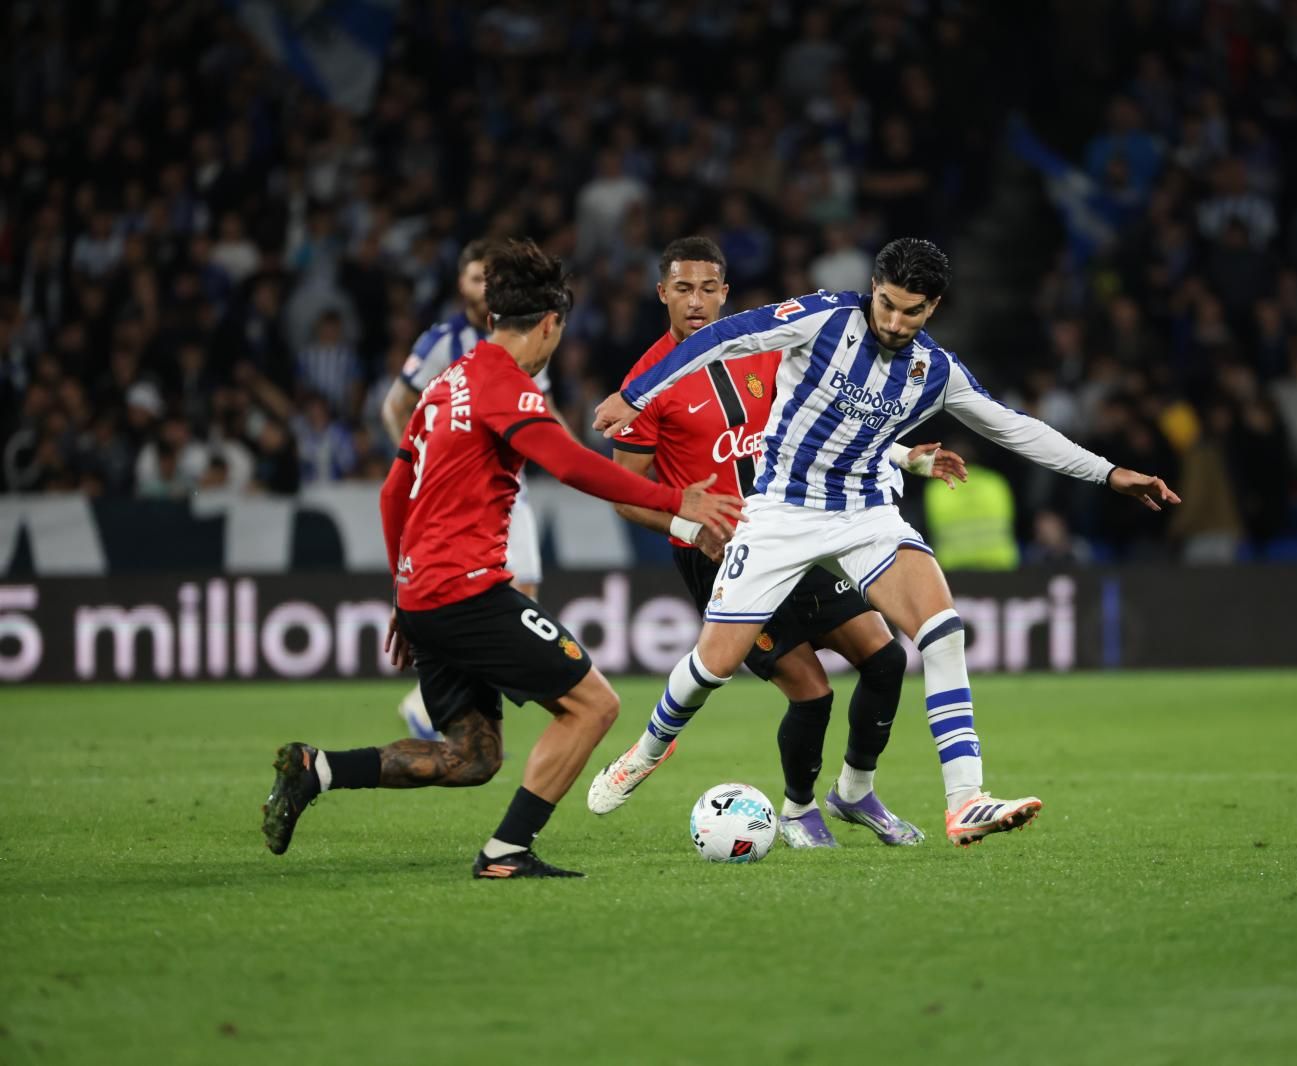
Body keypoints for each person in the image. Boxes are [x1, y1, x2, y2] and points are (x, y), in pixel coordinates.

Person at [589, 238, 1180, 846]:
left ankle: (965, 799)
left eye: (913, 312)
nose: (896, 323)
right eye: (888, 305)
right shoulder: (823, 318)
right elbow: (724, 337)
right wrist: (634, 395)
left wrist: (1108, 473)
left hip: (865, 513)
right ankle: (648, 748)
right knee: (709, 668)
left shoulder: (937, 372)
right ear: (873, 287)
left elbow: (1016, 429)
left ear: (934, 308)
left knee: (941, 632)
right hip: (779, 515)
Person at [261, 239, 744, 879]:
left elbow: (391, 492)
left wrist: (401, 595)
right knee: (595, 705)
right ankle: (506, 853)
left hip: (425, 595)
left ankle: (315, 769)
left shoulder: (446, 384)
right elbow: (571, 465)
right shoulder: (505, 387)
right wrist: (678, 498)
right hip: (467, 592)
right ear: (550, 325)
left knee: (472, 756)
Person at [607, 236, 966, 848]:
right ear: (662, 293)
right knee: (811, 689)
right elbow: (622, 492)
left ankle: (856, 793)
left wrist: (907, 457)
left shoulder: (771, 352)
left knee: (885, 659)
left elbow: (834, 425)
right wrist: (692, 525)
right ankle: (798, 809)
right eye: (683, 289)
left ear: (725, 293)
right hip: (720, 556)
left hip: (800, 526)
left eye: (708, 288)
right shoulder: (647, 382)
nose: (696, 302)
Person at [380, 239, 549, 742]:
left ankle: (441, 702)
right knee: (506, 597)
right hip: (468, 495)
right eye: (477, 278)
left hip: (510, 487)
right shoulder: (443, 339)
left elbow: (540, 411)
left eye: (491, 279)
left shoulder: (524, 333)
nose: (485, 288)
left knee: (527, 591)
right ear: (461, 283)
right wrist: (421, 468)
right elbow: (395, 406)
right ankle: (430, 703)